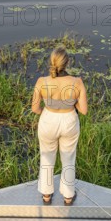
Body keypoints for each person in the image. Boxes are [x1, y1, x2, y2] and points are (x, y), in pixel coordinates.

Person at [31, 46, 88, 206]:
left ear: (51, 62)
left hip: (48, 119)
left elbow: (34, 108)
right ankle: (68, 196)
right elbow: (83, 110)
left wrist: (47, 111)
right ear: (67, 63)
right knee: (68, 158)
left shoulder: (41, 82)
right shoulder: (77, 83)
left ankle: (47, 195)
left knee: (46, 157)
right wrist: (72, 102)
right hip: (69, 120)